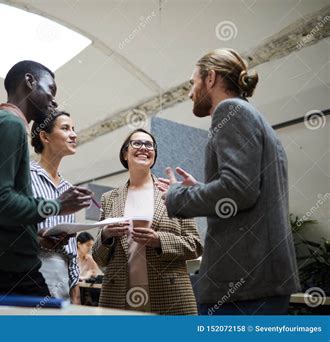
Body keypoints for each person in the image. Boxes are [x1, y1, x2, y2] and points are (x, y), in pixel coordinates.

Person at [159, 48, 300, 315]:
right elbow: (244, 188)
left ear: (210, 78)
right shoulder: (253, 116)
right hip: (259, 279)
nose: (190, 93)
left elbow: (238, 190)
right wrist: (200, 190)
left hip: (243, 282)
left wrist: (177, 196)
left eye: (193, 83)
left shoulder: (229, 110)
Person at [0, 60, 92, 296]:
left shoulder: (1, 123)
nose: (53, 100)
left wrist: (36, 240)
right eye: (50, 90)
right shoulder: (9, 125)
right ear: (29, 82)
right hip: (7, 274)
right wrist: (57, 205)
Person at [92, 129, 203, 315]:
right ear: (124, 154)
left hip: (169, 292)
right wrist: (106, 235)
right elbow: (99, 257)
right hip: (119, 293)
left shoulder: (172, 192)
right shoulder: (109, 198)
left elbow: (196, 245)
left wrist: (159, 240)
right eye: (137, 143)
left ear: (154, 155)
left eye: (149, 145)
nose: (144, 148)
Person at [30, 110, 81, 303]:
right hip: (30, 273)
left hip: (62, 280)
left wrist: (75, 290)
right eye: (66, 128)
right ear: (44, 136)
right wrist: (39, 240)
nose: (74, 134)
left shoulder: (68, 189)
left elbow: (72, 251)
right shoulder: (25, 177)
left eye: (74, 129)